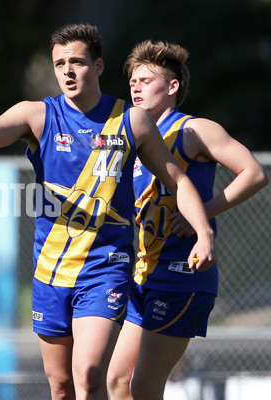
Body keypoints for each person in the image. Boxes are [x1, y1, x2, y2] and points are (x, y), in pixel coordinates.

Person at [0, 23, 216, 400]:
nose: (67, 71)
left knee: (90, 373)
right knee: (61, 387)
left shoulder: (131, 120)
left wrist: (204, 234)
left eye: (76, 61)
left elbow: (178, 181)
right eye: (60, 63)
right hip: (51, 267)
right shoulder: (38, 115)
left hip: (105, 266)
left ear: (97, 66)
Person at [106, 40, 268, 400]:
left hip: (183, 273)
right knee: (117, 382)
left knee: (145, 386)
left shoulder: (195, 130)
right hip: (145, 272)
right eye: (132, 80)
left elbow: (255, 173)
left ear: (172, 86)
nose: (135, 86)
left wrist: (202, 216)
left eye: (145, 80)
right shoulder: (135, 138)